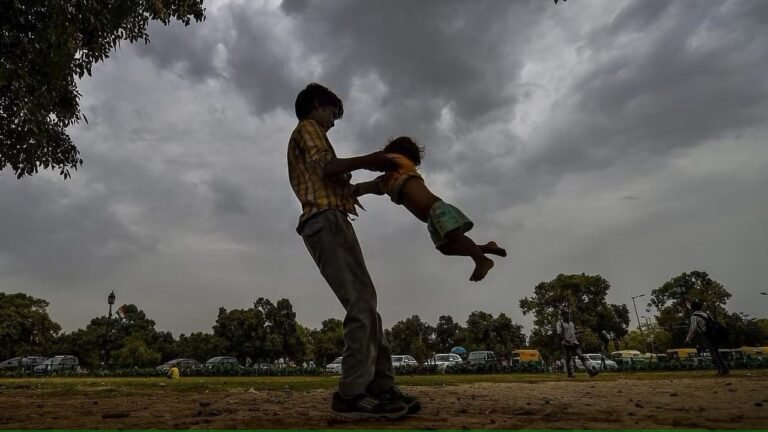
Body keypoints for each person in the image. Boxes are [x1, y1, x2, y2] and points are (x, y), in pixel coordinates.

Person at [287, 83, 419, 420]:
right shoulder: (308, 129)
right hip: (324, 222)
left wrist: (379, 185)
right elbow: (327, 168)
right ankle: (351, 394)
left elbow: (341, 187)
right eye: (332, 113)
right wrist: (372, 159)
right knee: (360, 305)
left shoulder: (316, 135)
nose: (333, 122)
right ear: (318, 105)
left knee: (367, 305)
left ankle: (381, 386)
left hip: (333, 219)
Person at [353, 136, 506, 282]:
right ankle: (485, 249)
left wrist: (352, 164)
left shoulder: (402, 162)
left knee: (454, 235)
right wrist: (347, 189)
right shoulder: (384, 182)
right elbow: (362, 188)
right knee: (446, 248)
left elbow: (373, 160)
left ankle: (481, 259)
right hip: (430, 219)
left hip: (436, 209)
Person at [684, 300, 729, 375]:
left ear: (693, 308)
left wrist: (688, 338)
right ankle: (723, 368)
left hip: (706, 335)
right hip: (714, 334)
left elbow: (693, 328)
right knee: (716, 351)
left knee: (713, 352)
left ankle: (721, 369)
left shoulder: (694, 316)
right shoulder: (706, 314)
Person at [556, 309, 599, 378]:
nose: (568, 316)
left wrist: (580, 332)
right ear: (562, 316)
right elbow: (559, 333)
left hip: (575, 342)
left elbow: (573, 332)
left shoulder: (571, 323)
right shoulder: (560, 323)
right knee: (568, 359)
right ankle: (570, 373)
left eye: (568, 315)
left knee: (581, 356)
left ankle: (590, 371)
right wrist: (565, 339)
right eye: (566, 315)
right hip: (566, 344)